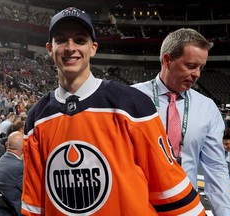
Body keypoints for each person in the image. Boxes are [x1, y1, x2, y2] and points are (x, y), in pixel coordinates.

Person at [21, 8, 206, 216]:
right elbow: (34, 204)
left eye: (80, 40)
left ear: (93, 48)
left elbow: (169, 187)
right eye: (61, 40)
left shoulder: (132, 104)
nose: (70, 48)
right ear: (49, 48)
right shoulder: (37, 117)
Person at [132, 28, 230, 215]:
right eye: (191, 65)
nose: (197, 75)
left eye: (201, 67)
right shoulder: (130, 98)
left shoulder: (207, 107)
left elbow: (216, 168)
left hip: (185, 208)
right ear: (167, 60)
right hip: (139, 206)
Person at [0, 131, 24, 216]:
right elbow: (32, 192)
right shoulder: (20, 167)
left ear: (7, 145)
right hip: (13, 212)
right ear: (24, 148)